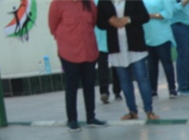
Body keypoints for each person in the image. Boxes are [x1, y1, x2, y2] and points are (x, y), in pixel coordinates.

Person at [49, 0, 108, 131]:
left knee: (89, 85)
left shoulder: (89, 3)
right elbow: (53, 27)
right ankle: (72, 120)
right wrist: (65, 40)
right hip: (69, 52)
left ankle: (91, 117)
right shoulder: (58, 3)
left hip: (88, 51)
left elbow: (93, 22)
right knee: (72, 86)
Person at [96, 0, 157, 120]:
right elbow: (99, 23)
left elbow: (144, 17)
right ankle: (132, 111)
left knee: (142, 79)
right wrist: (109, 22)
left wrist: (128, 20)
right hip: (116, 47)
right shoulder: (104, 2)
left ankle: (149, 110)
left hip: (135, 45)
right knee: (124, 81)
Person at [142, 0, 176, 98]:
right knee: (151, 65)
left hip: (162, 36)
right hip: (148, 36)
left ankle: (172, 88)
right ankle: (153, 89)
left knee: (166, 62)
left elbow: (168, 13)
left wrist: (152, 16)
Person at [170, 0, 189, 95]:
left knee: (188, 55)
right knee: (183, 55)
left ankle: (188, 84)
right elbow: (171, 10)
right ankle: (183, 86)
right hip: (179, 24)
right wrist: (185, 1)